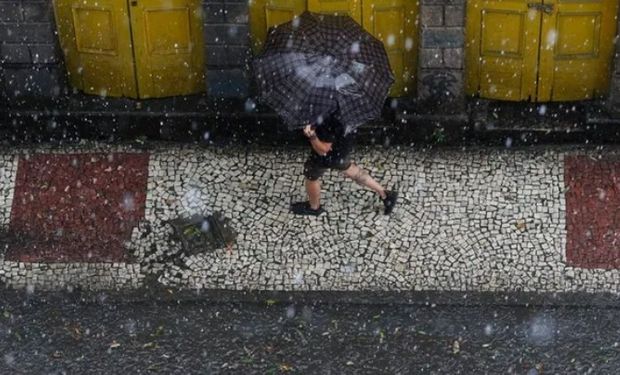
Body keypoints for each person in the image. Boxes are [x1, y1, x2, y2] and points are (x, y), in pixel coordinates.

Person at [290, 116, 397, 216]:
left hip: (329, 155)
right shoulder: (344, 107)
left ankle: (314, 207)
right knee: (350, 169)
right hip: (343, 147)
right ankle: (385, 194)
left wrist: (312, 136)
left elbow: (323, 150)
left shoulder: (327, 118)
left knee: (311, 175)